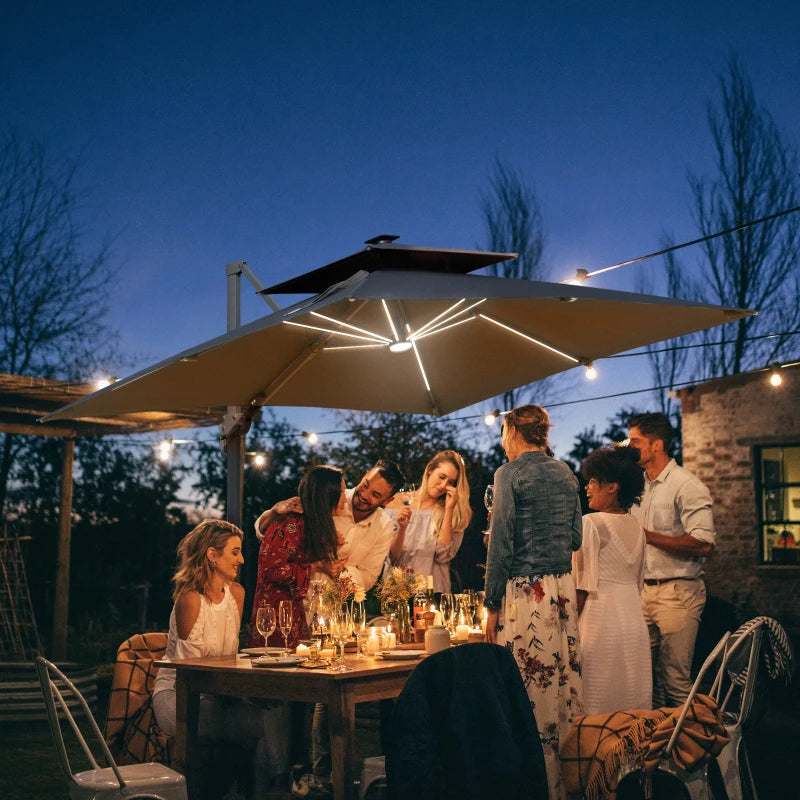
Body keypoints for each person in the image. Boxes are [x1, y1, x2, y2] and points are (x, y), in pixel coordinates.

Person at [254, 459, 405, 800]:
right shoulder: (332, 495)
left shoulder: (384, 527)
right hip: (295, 604)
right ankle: (295, 769)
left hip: (332, 607)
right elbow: (268, 534)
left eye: (375, 494)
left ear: (387, 499)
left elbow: (368, 577)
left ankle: (322, 771)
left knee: (328, 689)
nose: (362, 495)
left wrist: (338, 573)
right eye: (365, 484)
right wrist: (275, 510)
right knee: (297, 691)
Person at [483, 404, 583, 800]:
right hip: (562, 593)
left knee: (528, 691)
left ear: (511, 433)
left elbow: (502, 544)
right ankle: (567, 783)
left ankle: (533, 787)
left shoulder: (509, 474)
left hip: (527, 596)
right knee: (562, 689)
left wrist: (492, 604)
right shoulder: (566, 473)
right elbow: (575, 538)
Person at [152, 519, 288, 798]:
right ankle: (264, 789)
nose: (242, 559)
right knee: (262, 722)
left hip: (219, 693)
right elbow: (191, 674)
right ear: (212, 555)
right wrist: (239, 696)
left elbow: (230, 657)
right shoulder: (190, 599)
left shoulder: (236, 594)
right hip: (179, 697)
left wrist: (246, 691)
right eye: (234, 552)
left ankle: (270, 786)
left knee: (275, 710)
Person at [628, 412, 715, 707]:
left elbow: (703, 544)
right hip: (642, 593)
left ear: (657, 445)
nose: (630, 446)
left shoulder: (686, 485)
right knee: (643, 679)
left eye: (636, 441)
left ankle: (690, 751)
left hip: (679, 593)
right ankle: (655, 749)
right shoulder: (636, 487)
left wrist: (648, 536)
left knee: (675, 680)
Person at [572, 445, 652, 714]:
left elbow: (581, 587)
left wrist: (567, 629)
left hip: (600, 620)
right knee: (630, 698)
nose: (587, 487)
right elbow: (638, 581)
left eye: (593, 481)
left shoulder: (591, 524)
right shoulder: (638, 528)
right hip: (633, 622)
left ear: (612, 487)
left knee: (597, 701)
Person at [249, 464, 346, 650]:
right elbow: (272, 570)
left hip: (293, 613)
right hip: (276, 619)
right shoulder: (292, 523)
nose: (345, 499)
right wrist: (317, 567)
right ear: (326, 495)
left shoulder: (310, 524)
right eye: (341, 492)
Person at [383, 449, 472, 593]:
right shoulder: (396, 502)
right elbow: (391, 557)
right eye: (442, 477)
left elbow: (443, 556)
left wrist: (449, 510)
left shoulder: (452, 512)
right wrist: (402, 528)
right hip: (397, 592)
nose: (444, 485)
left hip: (433, 593)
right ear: (430, 469)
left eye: (451, 482)